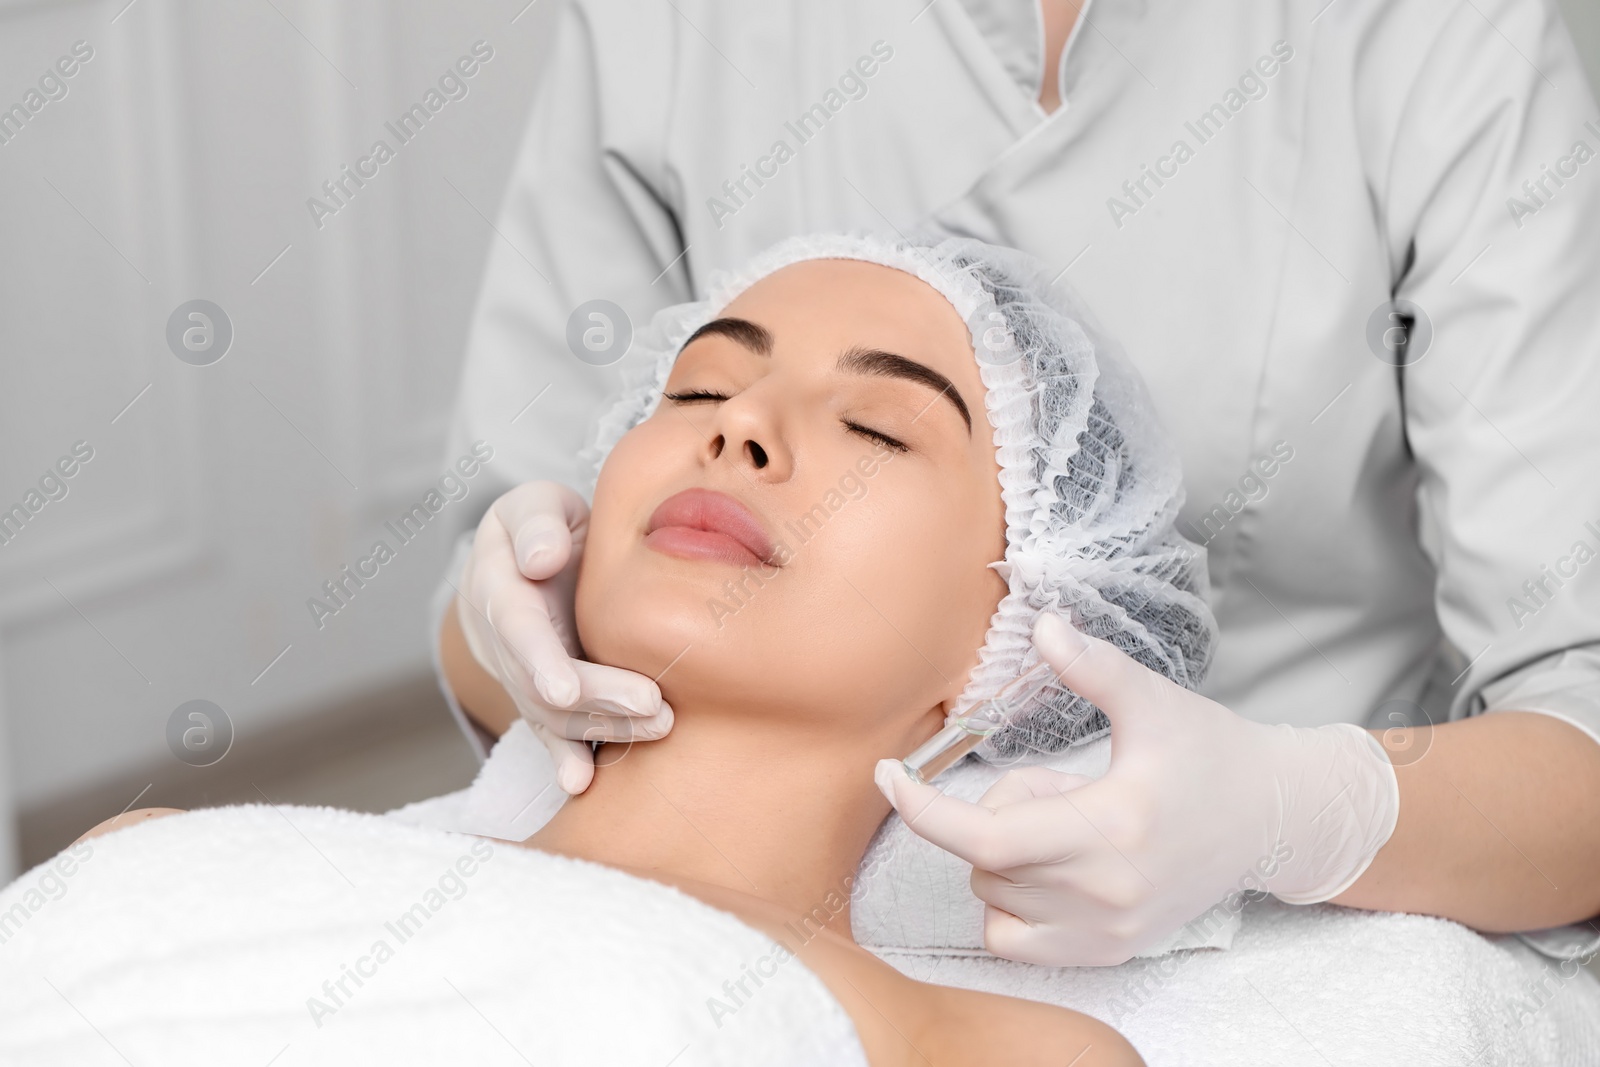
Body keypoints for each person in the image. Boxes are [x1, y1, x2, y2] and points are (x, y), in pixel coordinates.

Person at [435, 0, 1600, 965]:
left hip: (1349, 905)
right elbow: (498, 574)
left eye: (878, 426)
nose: (737, 431)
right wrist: (514, 625)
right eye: (692, 390)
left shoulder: (1443, 37)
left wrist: (1292, 810)